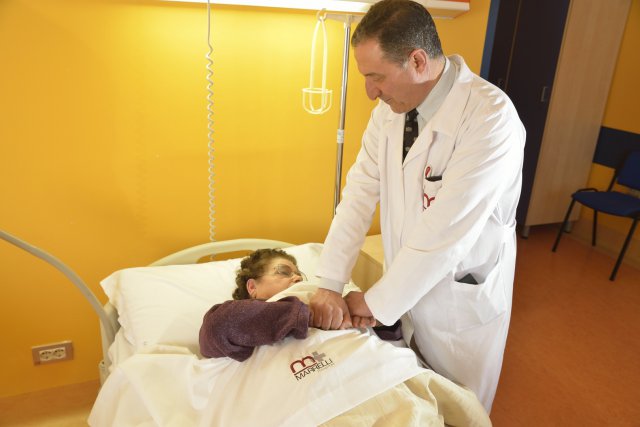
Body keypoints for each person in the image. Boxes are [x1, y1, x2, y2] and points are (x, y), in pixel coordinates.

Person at [309, 0, 525, 412]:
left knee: (460, 409)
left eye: (376, 77)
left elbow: (446, 234)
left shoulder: (489, 118)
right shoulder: (389, 114)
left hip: (459, 303)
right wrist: (330, 283)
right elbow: (358, 195)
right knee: (414, 400)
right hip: (407, 284)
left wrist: (374, 304)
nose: (370, 92)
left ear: (418, 61)